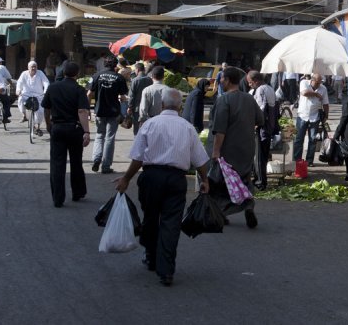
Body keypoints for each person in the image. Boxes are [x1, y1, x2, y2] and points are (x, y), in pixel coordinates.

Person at [115, 88, 210, 287]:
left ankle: (150, 256)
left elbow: (138, 158)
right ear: (180, 107)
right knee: (171, 223)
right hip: (176, 179)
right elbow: (200, 160)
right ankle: (166, 270)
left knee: (150, 218)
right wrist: (204, 180)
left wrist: (126, 178)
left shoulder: (150, 124)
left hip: (151, 177)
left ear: (162, 106)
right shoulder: (187, 127)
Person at [206, 66, 264, 227]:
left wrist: (216, 151)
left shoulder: (223, 100)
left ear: (228, 80)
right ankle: (249, 205)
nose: (221, 81)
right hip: (246, 148)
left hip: (227, 150)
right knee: (243, 180)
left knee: (221, 183)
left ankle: (222, 213)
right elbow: (260, 120)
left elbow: (220, 129)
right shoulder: (249, 99)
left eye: (222, 79)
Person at [42, 62, 91, 208]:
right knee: (76, 161)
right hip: (74, 128)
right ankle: (77, 192)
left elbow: (46, 108)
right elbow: (82, 111)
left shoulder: (53, 87)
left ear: (63, 73)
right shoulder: (79, 89)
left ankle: (58, 198)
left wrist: (48, 124)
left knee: (57, 164)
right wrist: (87, 131)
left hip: (57, 128)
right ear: (77, 74)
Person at [87, 56, 128, 174]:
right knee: (110, 138)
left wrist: (87, 109)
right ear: (116, 65)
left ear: (104, 64)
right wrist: (124, 100)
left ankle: (96, 159)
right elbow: (123, 96)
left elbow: (89, 94)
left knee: (99, 135)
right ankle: (106, 166)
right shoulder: (119, 78)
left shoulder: (96, 76)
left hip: (100, 111)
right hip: (113, 112)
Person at [247, 70, 275, 191]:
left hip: (262, 128)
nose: (249, 85)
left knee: (259, 157)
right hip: (268, 127)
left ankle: (260, 182)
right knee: (262, 156)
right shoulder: (269, 88)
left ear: (256, 81)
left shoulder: (260, 90)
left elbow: (261, 109)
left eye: (250, 82)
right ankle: (259, 179)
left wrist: (255, 125)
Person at [292, 73, 329, 166]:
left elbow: (325, 103)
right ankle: (297, 160)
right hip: (302, 115)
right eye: (317, 82)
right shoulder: (304, 82)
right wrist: (316, 94)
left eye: (320, 82)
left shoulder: (323, 88)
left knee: (313, 140)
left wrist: (326, 116)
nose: (319, 84)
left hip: (315, 116)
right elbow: (304, 93)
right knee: (299, 139)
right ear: (312, 80)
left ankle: (309, 161)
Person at [16, 60, 51, 135]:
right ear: (28, 67)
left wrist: (46, 91)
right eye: (32, 67)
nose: (33, 68)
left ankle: (38, 126)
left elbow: (46, 82)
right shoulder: (24, 74)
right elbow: (19, 82)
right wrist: (18, 90)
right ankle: (24, 115)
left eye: (35, 67)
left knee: (40, 111)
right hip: (26, 94)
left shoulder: (40, 73)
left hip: (38, 95)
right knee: (20, 100)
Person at [127, 62, 152, 135]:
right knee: (146, 127)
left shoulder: (135, 80)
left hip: (137, 107)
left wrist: (129, 107)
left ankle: (137, 143)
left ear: (137, 70)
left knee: (137, 128)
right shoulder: (150, 80)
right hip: (148, 107)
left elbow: (131, 96)